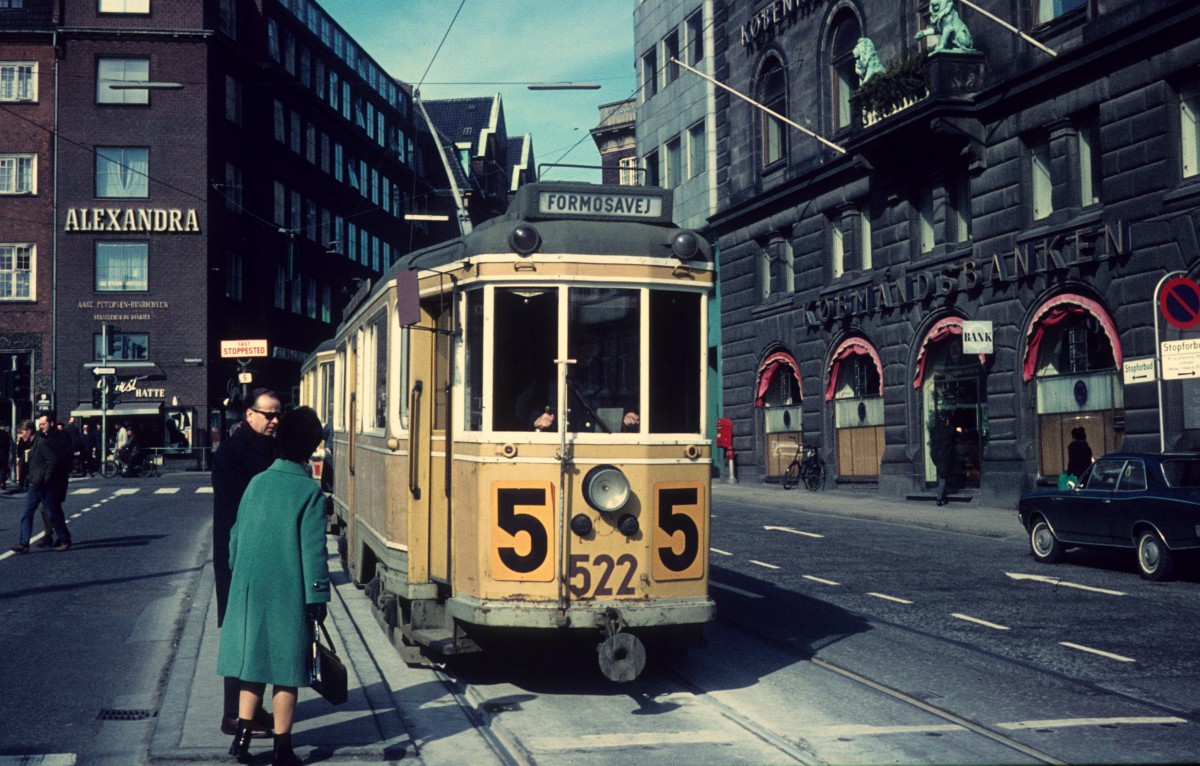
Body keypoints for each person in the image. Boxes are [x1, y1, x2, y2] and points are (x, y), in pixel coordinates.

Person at [218, 406, 330, 766]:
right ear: (309, 447)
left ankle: (244, 735)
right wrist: (317, 595)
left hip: (249, 590)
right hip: (288, 592)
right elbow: (313, 552)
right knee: (287, 671)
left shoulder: (257, 483)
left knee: (252, 664)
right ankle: (283, 747)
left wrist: (242, 574)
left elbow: (234, 539)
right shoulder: (307, 492)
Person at [212, 388, 282, 739]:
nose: (274, 421)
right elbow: (241, 510)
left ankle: (250, 709)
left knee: (256, 633)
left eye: (277, 415)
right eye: (267, 414)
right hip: (238, 556)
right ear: (249, 414)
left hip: (251, 553)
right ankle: (233, 716)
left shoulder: (263, 446)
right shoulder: (234, 451)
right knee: (242, 635)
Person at [10, 411, 73, 553]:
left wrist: (45, 478)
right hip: (34, 484)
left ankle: (64, 539)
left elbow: (53, 461)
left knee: (52, 513)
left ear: (29, 431)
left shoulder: (42, 443)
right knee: (27, 513)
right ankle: (24, 544)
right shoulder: (33, 443)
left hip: (45, 485)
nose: (20, 435)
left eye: (22, 432)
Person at [929, 413, 959, 506]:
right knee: (943, 478)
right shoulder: (950, 430)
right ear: (947, 421)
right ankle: (939, 499)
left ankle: (943, 496)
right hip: (946, 457)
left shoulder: (934, 430)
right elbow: (956, 436)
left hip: (936, 456)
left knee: (941, 477)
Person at [0, 425, 10, 490]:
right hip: (3, 454)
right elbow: (8, 444)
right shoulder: (4, 434)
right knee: (3, 469)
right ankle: (2, 482)